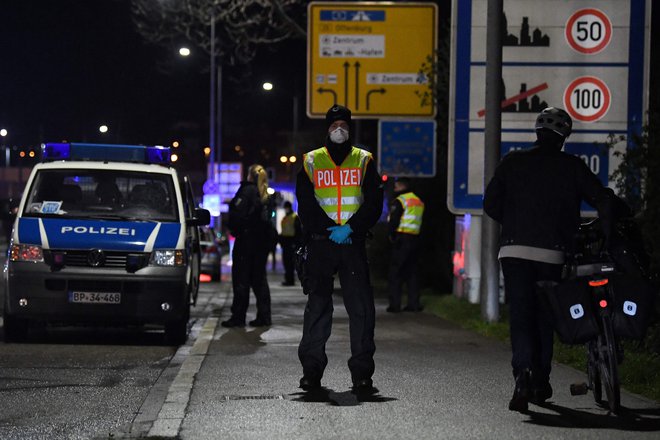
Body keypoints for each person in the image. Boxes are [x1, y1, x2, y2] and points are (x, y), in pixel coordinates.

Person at [483, 107, 614, 412]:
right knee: (545, 316)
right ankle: (540, 381)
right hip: (552, 253)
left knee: (520, 315)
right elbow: (602, 198)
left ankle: (523, 374)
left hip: (514, 251)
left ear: (537, 132)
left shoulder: (512, 162)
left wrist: (514, 223)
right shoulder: (572, 166)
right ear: (564, 136)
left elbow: (490, 204)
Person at [296, 105, 383, 393]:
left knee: (361, 311)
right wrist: (330, 230)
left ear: (350, 128)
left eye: (343, 124)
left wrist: (351, 228)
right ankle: (311, 372)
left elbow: (373, 204)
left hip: (352, 243)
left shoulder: (364, 160)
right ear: (327, 128)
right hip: (322, 244)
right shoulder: (310, 162)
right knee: (318, 308)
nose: (339, 130)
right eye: (334, 125)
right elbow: (306, 206)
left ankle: (362, 375)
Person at [222, 164, 277, 328]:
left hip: (246, 242)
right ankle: (264, 316)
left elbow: (237, 215)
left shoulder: (247, 191)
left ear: (249, 176)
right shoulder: (266, 194)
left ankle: (238, 317)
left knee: (241, 279)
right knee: (259, 280)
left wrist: (234, 229)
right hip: (262, 243)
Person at [386, 177, 425, 313]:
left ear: (400, 186)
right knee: (412, 273)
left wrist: (391, 236)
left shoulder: (400, 201)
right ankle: (414, 304)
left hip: (402, 239)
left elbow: (394, 221)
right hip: (415, 238)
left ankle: (395, 305)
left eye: (396, 186)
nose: (394, 189)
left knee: (395, 272)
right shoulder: (418, 200)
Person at [279, 201, 302, 286]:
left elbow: (298, 231)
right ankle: (288, 279)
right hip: (285, 242)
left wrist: (296, 243)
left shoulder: (294, 217)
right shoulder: (285, 218)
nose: (286, 209)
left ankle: (290, 280)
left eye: (286, 207)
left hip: (291, 242)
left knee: (290, 263)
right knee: (286, 262)